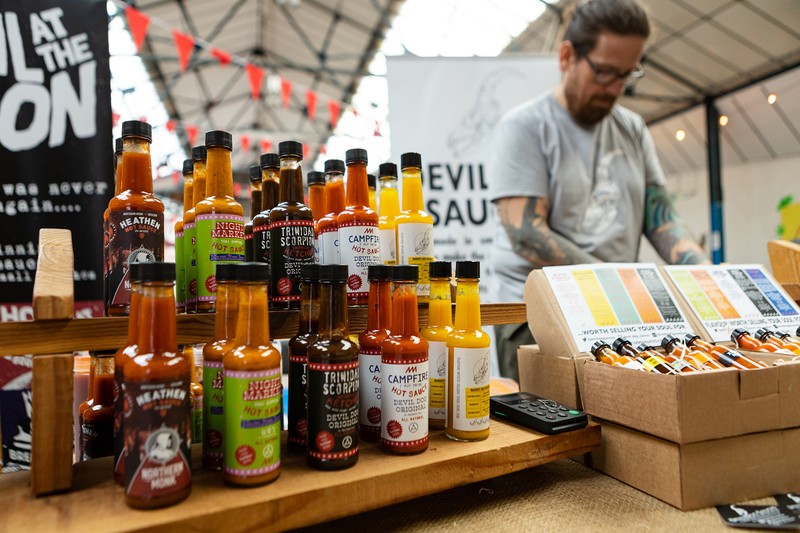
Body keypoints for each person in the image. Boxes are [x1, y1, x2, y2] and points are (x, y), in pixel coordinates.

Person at [488, 0, 709, 381]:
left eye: (626, 74)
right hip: (538, 315)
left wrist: (705, 275)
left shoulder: (632, 129)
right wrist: (617, 282)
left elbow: (662, 219)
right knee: (551, 418)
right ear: (567, 56)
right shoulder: (526, 126)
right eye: (605, 72)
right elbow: (526, 234)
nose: (615, 89)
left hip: (616, 310)